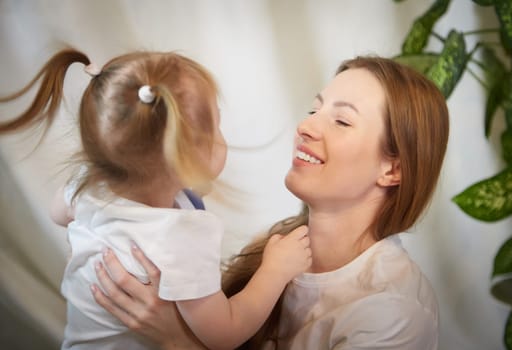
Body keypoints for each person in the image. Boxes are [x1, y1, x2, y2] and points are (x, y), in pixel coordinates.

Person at [91, 55, 449, 350]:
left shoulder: (393, 313)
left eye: (341, 121)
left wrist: (174, 340)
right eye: (314, 110)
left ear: (392, 169)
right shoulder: (278, 246)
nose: (306, 127)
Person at [0, 48, 312, 350]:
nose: (222, 138)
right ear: (185, 160)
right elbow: (225, 333)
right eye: (216, 127)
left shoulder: (89, 182)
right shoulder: (181, 238)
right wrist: (275, 271)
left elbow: (59, 212)